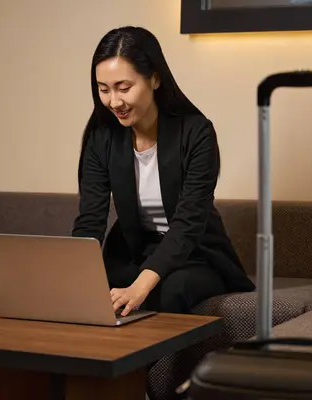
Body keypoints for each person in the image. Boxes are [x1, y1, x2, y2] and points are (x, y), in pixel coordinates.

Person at [72, 26, 255, 317]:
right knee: (89, 290)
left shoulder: (197, 133)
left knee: (170, 290)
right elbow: (90, 220)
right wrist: (73, 276)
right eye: (104, 89)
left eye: (124, 87)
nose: (114, 102)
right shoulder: (101, 137)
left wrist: (140, 286)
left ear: (155, 79)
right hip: (133, 252)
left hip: (195, 255)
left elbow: (189, 222)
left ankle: (154, 365)